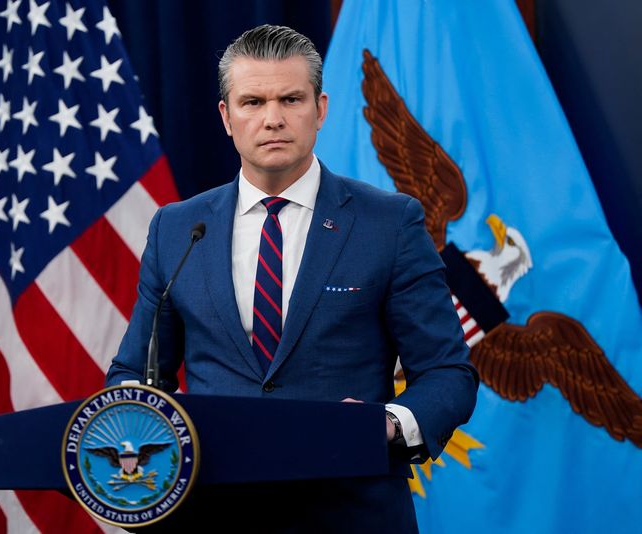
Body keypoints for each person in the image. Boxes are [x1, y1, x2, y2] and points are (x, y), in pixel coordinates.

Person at [107, 24, 478, 532]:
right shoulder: (176, 228)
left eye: (291, 99)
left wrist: (386, 424)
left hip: (352, 512)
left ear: (320, 109)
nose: (273, 119)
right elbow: (136, 375)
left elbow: (447, 373)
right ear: (226, 116)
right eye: (253, 102)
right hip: (213, 514)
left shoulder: (390, 224)